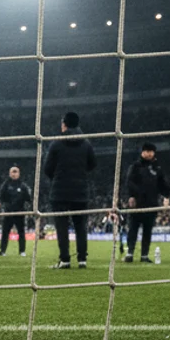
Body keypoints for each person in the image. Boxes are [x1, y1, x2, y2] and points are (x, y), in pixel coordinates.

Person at [44, 112, 96, 269]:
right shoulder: (86, 144)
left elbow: (47, 168)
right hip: (80, 191)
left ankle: (65, 260)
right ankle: (82, 259)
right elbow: (92, 164)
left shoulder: (56, 144)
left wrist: (59, 177)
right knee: (81, 226)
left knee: (62, 226)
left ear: (64, 125)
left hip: (60, 192)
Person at [123, 142, 170, 263]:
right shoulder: (135, 166)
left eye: (151, 151)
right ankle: (130, 253)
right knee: (133, 229)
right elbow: (129, 182)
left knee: (147, 230)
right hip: (137, 204)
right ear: (142, 152)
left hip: (151, 203)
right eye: (147, 151)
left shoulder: (157, 168)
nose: (149, 153)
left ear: (154, 153)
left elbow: (162, 184)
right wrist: (132, 196)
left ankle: (144, 255)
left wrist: (167, 195)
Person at [0, 165, 32, 257]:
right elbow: (1, 196)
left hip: (20, 212)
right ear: (10, 173)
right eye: (13, 172)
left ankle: (22, 251)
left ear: (19, 174)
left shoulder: (23, 186)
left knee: (21, 232)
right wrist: (1, 204)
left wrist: (30, 207)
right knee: (5, 232)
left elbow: (28, 198)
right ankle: (2, 250)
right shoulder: (5, 185)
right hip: (8, 212)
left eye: (16, 172)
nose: (14, 174)